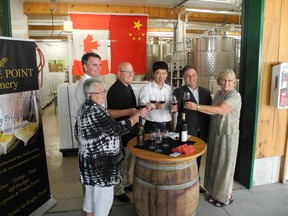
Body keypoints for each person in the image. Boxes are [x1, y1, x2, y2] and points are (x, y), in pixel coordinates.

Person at [74, 78, 147, 216]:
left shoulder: (84, 108)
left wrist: (89, 145)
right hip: (102, 164)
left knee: (90, 195)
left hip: (88, 161)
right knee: (103, 200)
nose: (104, 94)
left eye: (104, 90)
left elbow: (77, 133)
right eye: (100, 92)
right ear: (89, 95)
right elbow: (118, 129)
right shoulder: (95, 110)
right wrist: (137, 115)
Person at [189, 69, 241, 207]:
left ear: (234, 83)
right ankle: (213, 193)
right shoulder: (218, 94)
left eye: (230, 80)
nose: (226, 83)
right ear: (218, 81)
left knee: (225, 166)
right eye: (224, 80)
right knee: (214, 163)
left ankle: (225, 197)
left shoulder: (235, 96)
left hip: (228, 135)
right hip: (215, 133)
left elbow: (220, 110)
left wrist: (196, 107)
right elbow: (210, 111)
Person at [173, 66, 212, 193]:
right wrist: (173, 108)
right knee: (184, 158)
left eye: (193, 74)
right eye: (188, 75)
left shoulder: (205, 92)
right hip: (186, 131)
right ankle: (182, 183)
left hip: (202, 130)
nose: (191, 77)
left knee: (199, 158)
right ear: (184, 78)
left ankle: (196, 182)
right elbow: (175, 106)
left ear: (197, 75)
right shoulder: (179, 91)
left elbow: (209, 111)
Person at [106, 62, 139, 203]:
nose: (131, 74)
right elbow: (112, 114)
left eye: (132, 72)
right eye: (127, 72)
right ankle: (118, 190)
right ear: (119, 73)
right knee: (120, 161)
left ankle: (125, 183)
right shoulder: (115, 90)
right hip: (121, 132)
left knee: (127, 159)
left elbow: (132, 107)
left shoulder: (127, 86)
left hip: (129, 130)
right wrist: (131, 112)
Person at [138, 61, 176, 133]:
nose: (161, 76)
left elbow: (171, 106)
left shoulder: (169, 88)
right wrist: (153, 105)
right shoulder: (146, 88)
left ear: (167, 74)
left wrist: (173, 108)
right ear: (153, 74)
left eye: (164, 73)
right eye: (158, 73)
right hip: (152, 126)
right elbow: (142, 106)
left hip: (167, 125)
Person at [72, 52, 102, 119]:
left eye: (100, 65)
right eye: (95, 65)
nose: (99, 68)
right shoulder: (88, 84)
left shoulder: (92, 81)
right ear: (85, 67)